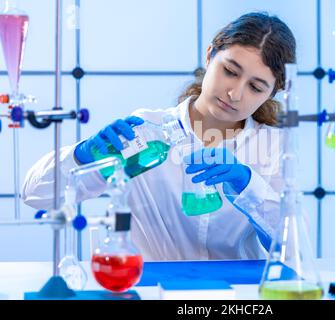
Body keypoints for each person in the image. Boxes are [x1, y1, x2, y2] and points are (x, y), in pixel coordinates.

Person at [22, 12, 297, 261]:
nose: (235, 93)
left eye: (256, 87)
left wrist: (248, 185)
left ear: (272, 93)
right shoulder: (144, 131)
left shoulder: (272, 145)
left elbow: (292, 247)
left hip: (239, 293)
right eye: (229, 71)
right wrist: (83, 156)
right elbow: (36, 195)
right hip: (151, 288)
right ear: (210, 55)